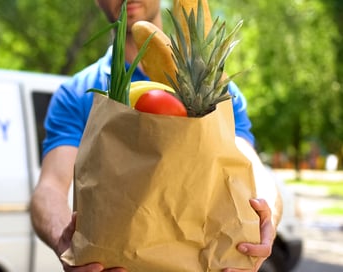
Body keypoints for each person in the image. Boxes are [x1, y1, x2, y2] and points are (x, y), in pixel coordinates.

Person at [30, 1, 278, 271]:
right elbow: (50, 187)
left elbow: (251, 166)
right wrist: (63, 242)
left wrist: (268, 218)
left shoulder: (217, 90)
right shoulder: (78, 93)